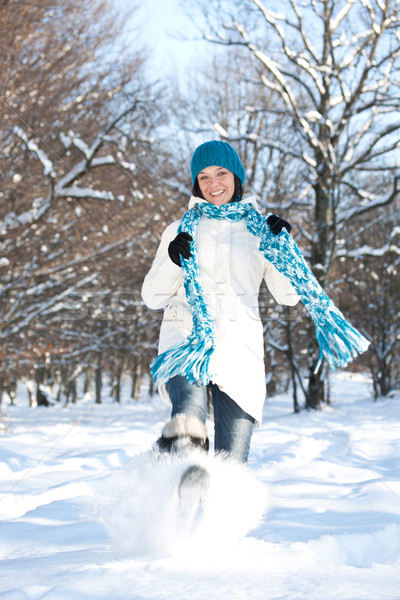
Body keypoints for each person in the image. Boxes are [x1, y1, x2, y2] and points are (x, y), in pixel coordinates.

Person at [141, 140, 299, 463]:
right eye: (204, 177)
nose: (213, 184)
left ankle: (217, 506)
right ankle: (177, 473)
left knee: (231, 464)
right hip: (186, 340)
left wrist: (283, 248)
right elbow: (152, 297)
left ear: (236, 176)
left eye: (221, 173)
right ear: (196, 184)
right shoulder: (179, 230)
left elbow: (289, 295)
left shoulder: (260, 232)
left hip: (241, 354)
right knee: (189, 416)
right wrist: (173, 259)